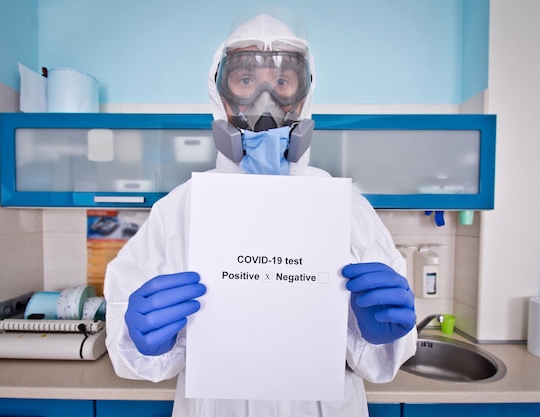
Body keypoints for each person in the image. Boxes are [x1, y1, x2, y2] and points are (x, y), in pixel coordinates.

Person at [105, 8, 417, 417]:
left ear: (303, 95)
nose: (264, 100)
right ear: (220, 93)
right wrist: (139, 338)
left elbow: (380, 363)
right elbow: (133, 349)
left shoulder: (347, 208)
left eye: (283, 81)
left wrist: (380, 337)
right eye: (246, 80)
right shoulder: (179, 210)